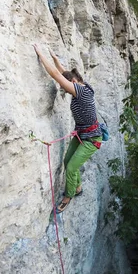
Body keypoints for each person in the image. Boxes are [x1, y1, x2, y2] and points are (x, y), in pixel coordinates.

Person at [33, 44, 102, 213]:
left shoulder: (81, 91)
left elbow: (57, 75)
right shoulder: (82, 85)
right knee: (67, 162)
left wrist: (41, 55)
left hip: (92, 140)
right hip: (82, 135)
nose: (64, 90)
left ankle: (68, 196)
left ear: (73, 83)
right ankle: (77, 187)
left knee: (71, 167)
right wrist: (55, 59)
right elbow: (64, 73)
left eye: (65, 87)